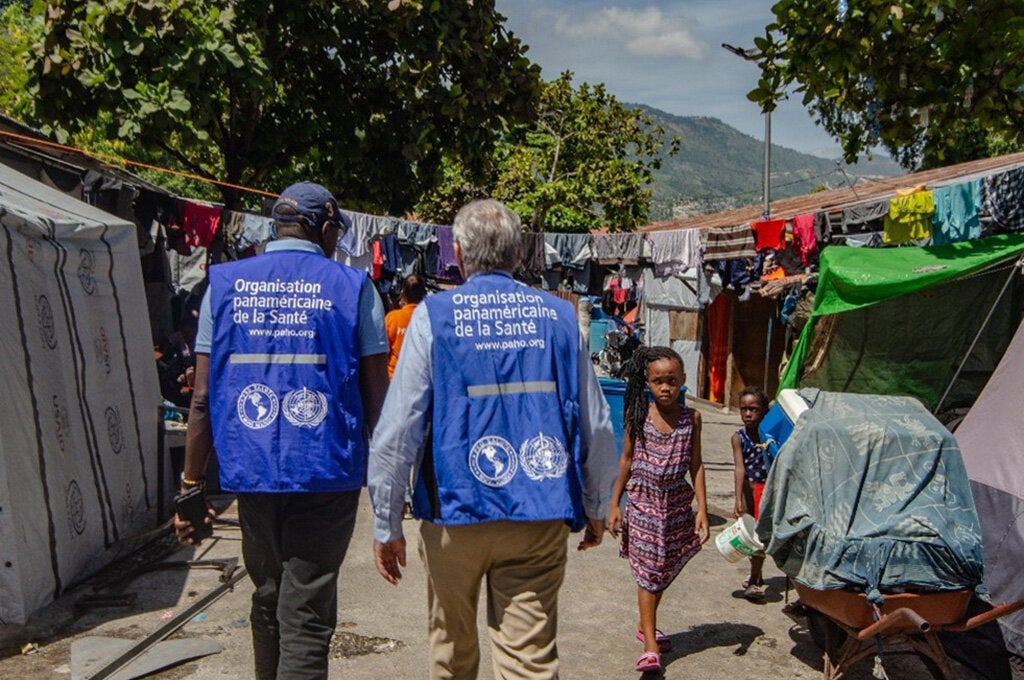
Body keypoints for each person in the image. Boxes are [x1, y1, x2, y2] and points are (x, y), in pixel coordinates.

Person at [368, 199, 618, 680]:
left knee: (452, 655)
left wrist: (386, 519)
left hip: (453, 514)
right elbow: (596, 421)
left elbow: (399, 427)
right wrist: (596, 503)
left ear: (459, 254)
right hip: (538, 512)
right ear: (519, 253)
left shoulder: (433, 316)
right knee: (530, 662)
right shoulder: (560, 317)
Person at [174, 181, 389, 680]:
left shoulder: (223, 285)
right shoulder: (354, 287)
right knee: (307, 612)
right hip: (326, 472)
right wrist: (391, 486)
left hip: (250, 471)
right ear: (325, 227)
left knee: (269, 595)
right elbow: (378, 401)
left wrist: (191, 485)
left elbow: (202, 398)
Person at [607, 346, 709, 674]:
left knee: (662, 571)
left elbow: (696, 464)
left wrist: (702, 509)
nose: (665, 387)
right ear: (648, 383)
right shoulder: (638, 417)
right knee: (649, 573)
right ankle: (650, 645)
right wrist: (615, 504)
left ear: (682, 380)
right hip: (643, 503)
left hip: (676, 505)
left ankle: (645, 623)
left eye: (672, 381)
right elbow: (626, 461)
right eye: (658, 381)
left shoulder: (692, 419)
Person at [732, 385, 770, 601]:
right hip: (749, 491)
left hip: (768, 491)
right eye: (744, 409)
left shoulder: (769, 436)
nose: (748, 414)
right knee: (751, 537)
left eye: (753, 409)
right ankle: (755, 577)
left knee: (762, 536)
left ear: (763, 411)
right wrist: (738, 498)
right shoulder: (739, 438)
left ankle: (755, 577)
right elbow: (740, 468)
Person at [384, 273, 427, 379]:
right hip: (421, 378)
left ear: (403, 294)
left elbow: (384, 352)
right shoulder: (430, 319)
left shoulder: (392, 318)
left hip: (394, 378)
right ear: (424, 294)